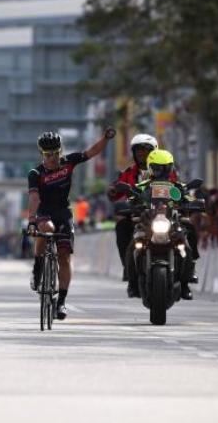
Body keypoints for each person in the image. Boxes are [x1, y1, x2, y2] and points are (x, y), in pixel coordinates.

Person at [27, 128, 115, 320]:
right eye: (48, 155)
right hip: (44, 212)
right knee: (46, 230)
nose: (52, 158)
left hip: (63, 212)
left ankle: (61, 302)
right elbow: (34, 199)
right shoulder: (35, 173)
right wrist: (32, 221)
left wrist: (106, 139)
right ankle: (38, 265)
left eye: (56, 153)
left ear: (61, 150)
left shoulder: (69, 162)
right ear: (42, 154)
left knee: (64, 257)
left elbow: (91, 152)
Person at [126, 149, 198, 300]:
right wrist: (131, 204)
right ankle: (132, 283)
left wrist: (194, 203)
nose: (162, 171)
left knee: (186, 243)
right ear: (151, 167)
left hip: (171, 222)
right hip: (147, 223)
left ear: (171, 168)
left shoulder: (177, 188)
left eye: (165, 168)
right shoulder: (143, 187)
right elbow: (132, 198)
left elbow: (188, 199)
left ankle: (186, 283)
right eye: (158, 168)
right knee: (133, 245)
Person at [107, 134, 179, 286]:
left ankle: (186, 276)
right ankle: (129, 270)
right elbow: (116, 190)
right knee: (122, 227)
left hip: (165, 214)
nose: (142, 153)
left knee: (187, 229)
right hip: (139, 215)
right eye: (138, 150)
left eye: (146, 150)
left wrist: (187, 201)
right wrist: (113, 190)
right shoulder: (128, 172)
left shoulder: (169, 169)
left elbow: (178, 189)